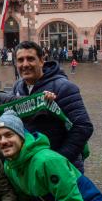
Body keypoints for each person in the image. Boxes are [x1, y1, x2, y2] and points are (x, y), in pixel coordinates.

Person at [12, 41, 93, 172]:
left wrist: (58, 160)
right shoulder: (17, 87)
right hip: (32, 166)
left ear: (41, 61)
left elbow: (83, 127)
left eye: (30, 59)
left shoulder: (63, 87)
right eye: (20, 60)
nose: (25, 64)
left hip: (62, 169)